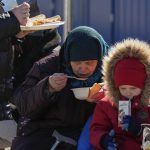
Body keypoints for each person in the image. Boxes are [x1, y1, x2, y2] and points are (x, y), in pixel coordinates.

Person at [10, 26, 109, 150]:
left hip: (88, 134)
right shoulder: (47, 67)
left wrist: (104, 100)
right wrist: (48, 87)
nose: (83, 68)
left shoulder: (108, 72)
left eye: (89, 63)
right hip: (45, 135)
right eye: (77, 63)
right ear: (68, 58)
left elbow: (125, 105)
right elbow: (23, 105)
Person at [90, 38, 150, 150]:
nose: (128, 92)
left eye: (133, 88)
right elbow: (96, 129)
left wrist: (140, 131)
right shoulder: (107, 105)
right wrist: (103, 140)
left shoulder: (148, 105)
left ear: (144, 86)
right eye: (123, 88)